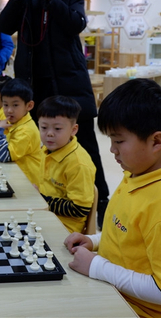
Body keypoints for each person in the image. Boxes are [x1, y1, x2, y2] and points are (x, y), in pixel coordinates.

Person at [64, 78, 161, 318]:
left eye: (119, 141)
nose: (112, 149)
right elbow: (129, 233)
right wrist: (94, 241)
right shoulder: (136, 174)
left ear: (156, 141)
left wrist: (97, 266)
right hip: (119, 297)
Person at [0, 0, 110, 229]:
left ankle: (102, 208)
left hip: (69, 85)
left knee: (86, 149)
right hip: (35, 88)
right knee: (44, 147)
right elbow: (3, 27)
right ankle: (49, 201)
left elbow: (76, 24)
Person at [37, 96, 95, 233]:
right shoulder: (47, 149)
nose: (49, 134)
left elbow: (80, 209)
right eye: (44, 127)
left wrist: (42, 200)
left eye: (57, 128)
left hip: (65, 228)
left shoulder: (78, 164)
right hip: (46, 215)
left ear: (73, 130)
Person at [0, 78, 42, 187]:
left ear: (29, 106)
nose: (9, 110)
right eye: (5, 105)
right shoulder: (16, 121)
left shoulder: (26, 131)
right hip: (16, 175)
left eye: (15, 105)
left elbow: (4, 156)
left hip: (27, 184)